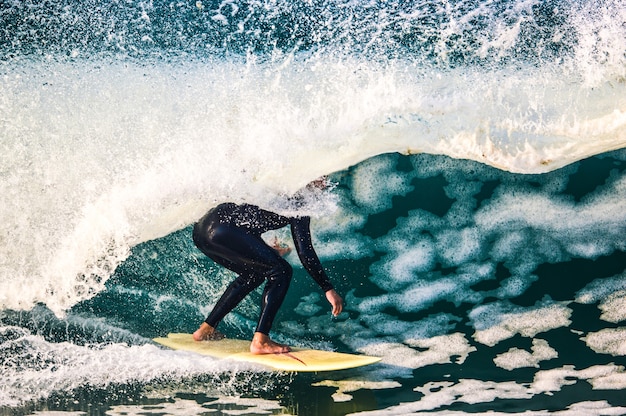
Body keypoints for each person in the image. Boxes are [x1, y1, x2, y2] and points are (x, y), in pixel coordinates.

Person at [191, 190, 344, 355]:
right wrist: (327, 288)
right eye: (321, 177)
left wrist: (267, 251)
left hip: (202, 231)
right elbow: (305, 252)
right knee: (282, 271)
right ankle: (261, 341)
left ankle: (206, 329)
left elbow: (246, 218)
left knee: (253, 274)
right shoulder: (302, 200)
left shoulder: (282, 183)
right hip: (223, 230)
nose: (324, 181)